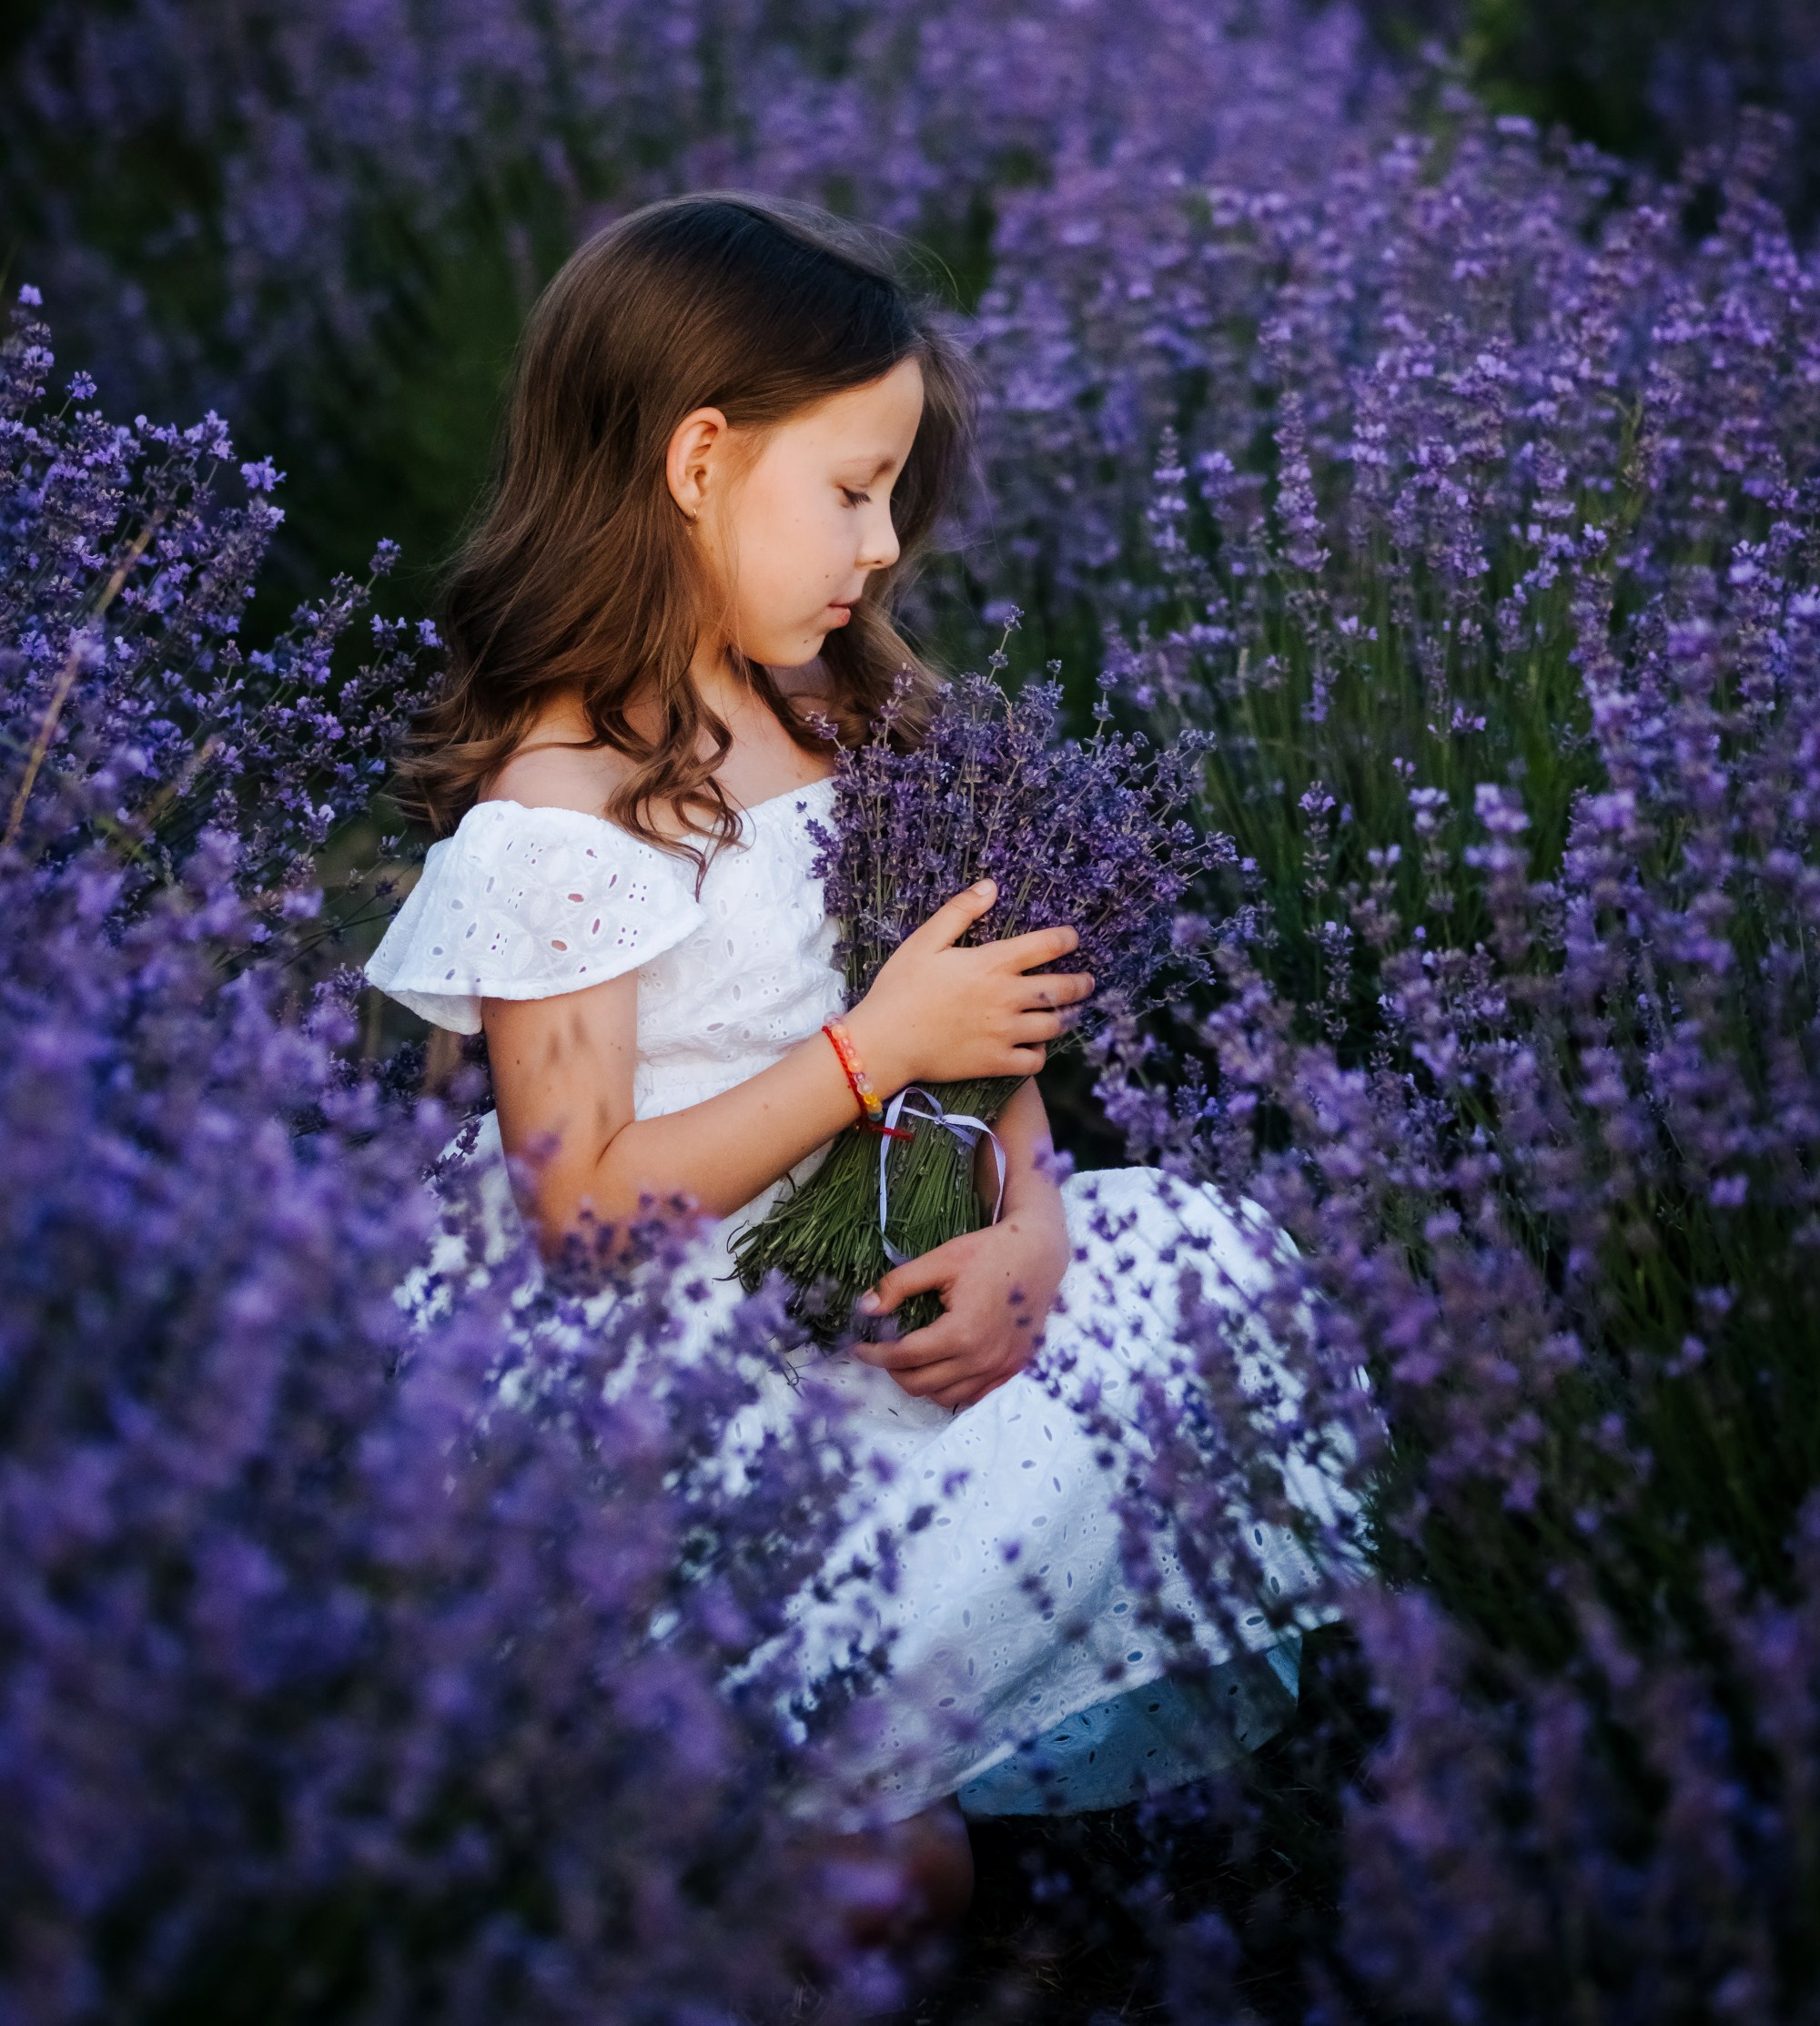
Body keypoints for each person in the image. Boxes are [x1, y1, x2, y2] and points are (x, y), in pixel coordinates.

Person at [364, 193, 1356, 1947]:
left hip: (888, 1301)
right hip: (671, 1384)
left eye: (892, 494)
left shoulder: (850, 718)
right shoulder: (564, 806)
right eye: (851, 487)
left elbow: (985, 1027)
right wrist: (860, 1052)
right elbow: (580, 1208)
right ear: (695, 459)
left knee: (1200, 1285)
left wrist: (1031, 1222)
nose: (884, 543)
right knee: (879, 1877)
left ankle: (813, 1812)